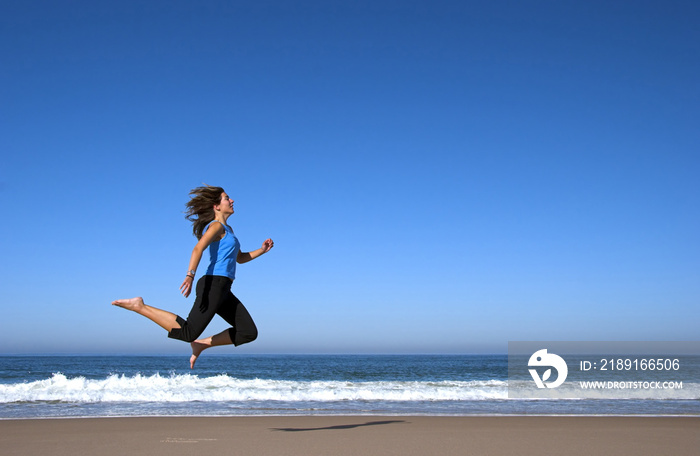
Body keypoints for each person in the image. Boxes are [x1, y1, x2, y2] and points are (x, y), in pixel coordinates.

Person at [112, 185, 274, 368]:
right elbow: (198, 248)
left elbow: (240, 258)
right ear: (217, 206)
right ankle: (139, 306)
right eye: (227, 198)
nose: (232, 200)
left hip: (224, 289)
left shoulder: (229, 229)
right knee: (188, 332)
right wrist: (190, 275)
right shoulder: (216, 226)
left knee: (248, 332)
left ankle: (200, 344)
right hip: (212, 284)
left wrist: (262, 250)